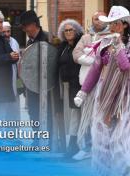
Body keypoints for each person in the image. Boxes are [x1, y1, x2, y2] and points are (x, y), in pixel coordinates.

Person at [74, 6, 130, 175]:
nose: (112, 27)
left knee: (120, 137)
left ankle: (122, 171)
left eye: (115, 23)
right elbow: (96, 69)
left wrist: (117, 44)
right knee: (101, 135)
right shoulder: (103, 43)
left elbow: (125, 67)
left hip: (123, 93)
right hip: (103, 91)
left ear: (124, 25)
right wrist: (84, 91)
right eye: (110, 23)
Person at [73, 10, 108, 161]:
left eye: (101, 19)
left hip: (105, 84)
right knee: (86, 118)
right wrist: (94, 60)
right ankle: (86, 148)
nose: (98, 21)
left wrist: (91, 55)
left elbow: (107, 59)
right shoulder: (85, 37)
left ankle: (101, 149)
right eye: (95, 19)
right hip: (87, 84)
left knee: (102, 118)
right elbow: (76, 54)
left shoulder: (110, 37)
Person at [19, 10, 52, 128]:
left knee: (47, 115)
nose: (24, 30)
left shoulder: (48, 38)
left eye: (25, 27)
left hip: (46, 88)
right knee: (33, 113)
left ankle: (46, 140)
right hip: (32, 87)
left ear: (34, 24)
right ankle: (36, 139)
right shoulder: (29, 41)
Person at [57, 19, 84, 158]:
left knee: (79, 115)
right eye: (66, 30)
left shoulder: (81, 45)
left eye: (71, 29)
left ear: (77, 30)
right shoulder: (63, 47)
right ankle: (73, 144)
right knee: (73, 116)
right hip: (67, 86)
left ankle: (77, 145)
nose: (68, 32)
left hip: (80, 85)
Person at [3, 21, 21, 120]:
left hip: (15, 77)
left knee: (14, 106)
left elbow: (19, 61)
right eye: (4, 32)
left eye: (8, 31)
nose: (6, 34)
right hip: (3, 79)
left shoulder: (14, 42)